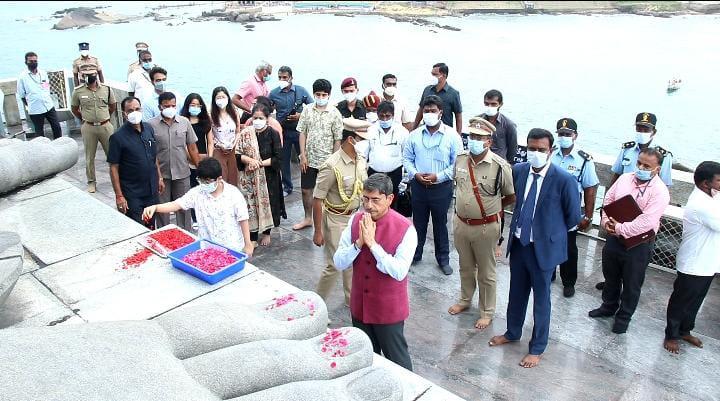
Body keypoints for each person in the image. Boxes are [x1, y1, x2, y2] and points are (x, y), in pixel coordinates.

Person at [488, 128, 580, 368]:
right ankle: (512, 332)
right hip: (519, 244)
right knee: (516, 294)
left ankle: (537, 347)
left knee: (541, 300)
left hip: (543, 250)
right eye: (531, 149)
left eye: (541, 150)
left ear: (550, 151)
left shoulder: (563, 179)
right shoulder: (519, 171)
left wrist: (548, 233)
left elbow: (573, 218)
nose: (535, 153)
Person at [333, 173, 417, 371]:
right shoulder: (356, 220)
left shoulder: (406, 229)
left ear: (389, 199)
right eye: (365, 199)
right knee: (366, 359)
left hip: (388, 311)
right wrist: (358, 243)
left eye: (375, 200)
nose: (369, 206)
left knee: (398, 363)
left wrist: (373, 245)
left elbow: (399, 271)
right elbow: (338, 262)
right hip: (360, 306)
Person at [589, 147, 670, 334]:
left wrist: (619, 228)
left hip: (638, 244)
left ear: (657, 169)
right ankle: (608, 306)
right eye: (639, 163)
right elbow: (609, 199)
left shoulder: (660, 191)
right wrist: (605, 222)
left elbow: (647, 222)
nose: (641, 167)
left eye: (647, 165)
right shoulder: (625, 178)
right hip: (614, 238)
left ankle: (624, 317)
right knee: (611, 275)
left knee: (632, 283)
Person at [448, 117, 515, 330]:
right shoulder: (460, 160)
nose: (474, 140)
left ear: (488, 141)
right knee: (465, 266)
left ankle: (486, 311)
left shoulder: (499, 166)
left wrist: (488, 210)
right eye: (472, 136)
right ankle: (465, 299)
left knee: (486, 271)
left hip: (486, 226)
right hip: (461, 223)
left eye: (479, 137)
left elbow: (510, 196)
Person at [596, 112, 673, 290]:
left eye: (645, 128)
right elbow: (616, 175)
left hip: (643, 222)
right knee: (611, 264)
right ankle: (610, 289)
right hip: (619, 215)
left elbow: (665, 185)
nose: (641, 131)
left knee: (634, 273)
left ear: (653, 131)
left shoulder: (664, 155)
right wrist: (607, 214)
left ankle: (625, 307)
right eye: (639, 127)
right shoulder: (627, 149)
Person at [142, 157, 254, 257]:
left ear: (219, 178)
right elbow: (177, 204)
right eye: (201, 181)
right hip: (207, 248)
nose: (204, 184)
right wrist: (155, 207)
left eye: (207, 181)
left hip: (232, 248)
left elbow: (243, 219)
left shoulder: (233, 194)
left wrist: (248, 244)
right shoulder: (197, 193)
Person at [663, 161, 720, 354]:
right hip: (694, 264)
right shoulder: (701, 205)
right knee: (681, 300)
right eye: (719, 180)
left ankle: (685, 330)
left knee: (696, 300)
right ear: (705, 184)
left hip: (708, 263)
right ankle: (671, 334)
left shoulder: (711, 197)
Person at [403, 95, 461, 275]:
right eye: (426, 111)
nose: (429, 114)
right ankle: (415, 254)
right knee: (418, 223)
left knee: (440, 224)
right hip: (419, 186)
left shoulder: (452, 136)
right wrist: (415, 174)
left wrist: (438, 176)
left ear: (440, 113)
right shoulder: (414, 136)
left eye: (432, 111)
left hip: (441, 188)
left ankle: (443, 259)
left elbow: (457, 163)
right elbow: (407, 158)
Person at [313, 127, 370, 306]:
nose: (366, 143)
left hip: (354, 217)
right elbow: (317, 199)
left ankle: (350, 300)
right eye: (362, 139)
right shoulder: (331, 166)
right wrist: (318, 232)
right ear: (350, 140)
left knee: (352, 260)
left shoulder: (360, 160)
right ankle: (317, 306)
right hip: (335, 219)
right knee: (335, 265)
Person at [549, 118, 599, 297]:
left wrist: (588, 216)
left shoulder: (583, 160)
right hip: (549, 208)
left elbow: (590, 189)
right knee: (548, 241)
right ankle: (550, 273)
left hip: (570, 210)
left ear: (575, 136)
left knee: (569, 247)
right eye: (561, 134)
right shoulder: (551, 154)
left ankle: (569, 282)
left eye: (567, 134)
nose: (563, 137)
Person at [293, 78, 344, 231]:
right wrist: (302, 155)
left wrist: (335, 160)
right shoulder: (307, 110)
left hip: (327, 161)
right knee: (306, 190)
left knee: (327, 192)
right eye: (318, 94)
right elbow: (302, 132)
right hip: (309, 159)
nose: (321, 97)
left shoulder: (335, 113)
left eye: (324, 95)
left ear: (328, 95)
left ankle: (327, 220)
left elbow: (337, 138)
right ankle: (308, 218)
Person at [147, 92, 200, 232]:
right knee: (162, 209)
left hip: (182, 172)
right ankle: (164, 236)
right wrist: (158, 177)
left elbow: (192, 147)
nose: (170, 108)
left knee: (184, 207)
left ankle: (186, 236)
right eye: (166, 106)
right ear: (160, 107)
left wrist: (200, 169)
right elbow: (152, 154)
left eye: (173, 105)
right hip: (162, 175)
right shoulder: (151, 125)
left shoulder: (184, 122)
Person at [108, 96, 164, 228]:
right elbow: (113, 167)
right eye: (130, 110)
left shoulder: (149, 129)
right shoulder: (117, 137)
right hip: (133, 194)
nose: (135, 112)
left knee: (151, 226)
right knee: (138, 228)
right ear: (124, 113)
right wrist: (119, 196)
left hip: (151, 191)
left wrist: (159, 177)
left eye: (137, 109)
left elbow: (153, 156)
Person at [235, 103, 281, 248]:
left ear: (267, 119)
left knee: (269, 203)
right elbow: (238, 154)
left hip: (268, 175)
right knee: (250, 205)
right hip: (249, 177)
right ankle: (253, 236)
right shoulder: (246, 133)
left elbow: (278, 157)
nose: (257, 121)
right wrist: (250, 161)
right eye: (255, 118)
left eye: (261, 118)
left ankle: (266, 232)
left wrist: (259, 163)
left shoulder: (272, 133)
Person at [70, 66, 117, 193]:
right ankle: (91, 182)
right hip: (89, 127)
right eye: (86, 74)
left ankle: (117, 180)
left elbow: (113, 106)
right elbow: (74, 109)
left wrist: (104, 117)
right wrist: (84, 119)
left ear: (96, 74)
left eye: (92, 73)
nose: (89, 76)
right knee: (90, 156)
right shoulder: (78, 91)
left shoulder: (106, 89)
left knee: (112, 155)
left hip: (105, 126)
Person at [356, 100, 409, 209]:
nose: (384, 119)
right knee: (373, 204)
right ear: (377, 115)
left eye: (388, 116)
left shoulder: (402, 132)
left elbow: (407, 155)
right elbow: (363, 154)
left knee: (392, 204)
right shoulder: (370, 130)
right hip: (374, 173)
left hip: (395, 174)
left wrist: (406, 178)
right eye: (382, 116)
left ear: (393, 115)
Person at [269, 65, 313, 197]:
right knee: (284, 160)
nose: (282, 80)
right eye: (280, 77)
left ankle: (308, 184)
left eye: (285, 77)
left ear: (291, 78)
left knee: (305, 158)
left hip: (300, 131)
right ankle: (287, 187)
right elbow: (267, 108)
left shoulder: (301, 91)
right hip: (283, 131)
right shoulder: (273, 93)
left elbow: (312, 106)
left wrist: (300, 115)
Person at [16, 51, 62, 139]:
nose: (33, 63)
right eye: (31, 61)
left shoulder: (43, 73)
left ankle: (59, 143)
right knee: (39, 132)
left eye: (35, 61)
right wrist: (29, 104)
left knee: (56, 126)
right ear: (26, 62)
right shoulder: (22, 77)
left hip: (48, 105)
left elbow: (46, 86)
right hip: (35, 109)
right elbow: (21, 95)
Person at [413, 63, 462, 134]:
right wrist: (414, 129)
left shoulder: (453, 93)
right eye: (432, 74)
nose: (432, 77)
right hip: (427, 130)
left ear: (444, 75)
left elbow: (458, 116)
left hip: (445, 133)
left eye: (435, 74)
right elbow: (420, 110)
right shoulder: (427, 90)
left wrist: (458, 135)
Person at [208, 86, 241, 187]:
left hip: (232, 150)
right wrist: (220, 145)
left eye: (223, 97)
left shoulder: (234, 113)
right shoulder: (211, 115)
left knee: (233, 179)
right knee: (220, 179)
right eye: (218, 98)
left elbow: (238, 131)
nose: (221, 100)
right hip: (218, 150)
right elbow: (210, 136)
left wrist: (233, 144)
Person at [179, 93, 211, 189]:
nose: (195, 107)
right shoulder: (182, 121)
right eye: (193, 105)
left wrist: (209, 157)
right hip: (187, 160)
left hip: (204, 158)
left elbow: (210, 142)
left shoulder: (205, 121)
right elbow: (182, 143)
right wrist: (193, 158)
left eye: (198, 105)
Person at [479, 89, 517, 164]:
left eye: (493, 104)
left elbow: (512, 149)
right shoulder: (478, 121)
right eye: (487, 104)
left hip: (498, 164)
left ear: (500, 104)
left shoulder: (509, 125)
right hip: (480, 161)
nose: (489, 106)